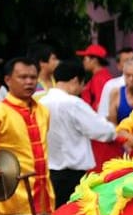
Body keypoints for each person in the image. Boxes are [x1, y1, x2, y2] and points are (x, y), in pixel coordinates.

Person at [0, 57, 54, 215]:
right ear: (8, 80)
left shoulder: (43, 111)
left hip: (43, 193)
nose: (29, 82)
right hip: (10, 197)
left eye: (33, 77)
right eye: (23, 77)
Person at [40, 61, 120, 205]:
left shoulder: (42, 102)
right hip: (73, 174)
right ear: (76, 80)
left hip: (50, 171)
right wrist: (116, 129)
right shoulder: (73, 103)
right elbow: (102, 131)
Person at [99, 57, 133, 127]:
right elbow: (113, 123)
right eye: (128, 75)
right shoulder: (116, 93)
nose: (131, 79)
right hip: (122, 135)